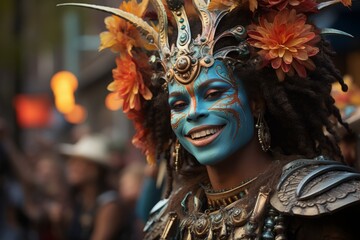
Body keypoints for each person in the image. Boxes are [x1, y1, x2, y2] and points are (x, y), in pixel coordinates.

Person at [58, 0, 360, 239]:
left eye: (214, 93)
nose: (194, 112)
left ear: (255, 102)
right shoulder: (168, 220)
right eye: (179, 103)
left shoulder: (315, 198)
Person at [59, 133, 124, 240]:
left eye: (78, 162)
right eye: (72, 161)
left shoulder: (110, 205)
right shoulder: (79, 202)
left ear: (94, 170)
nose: (71, 166)